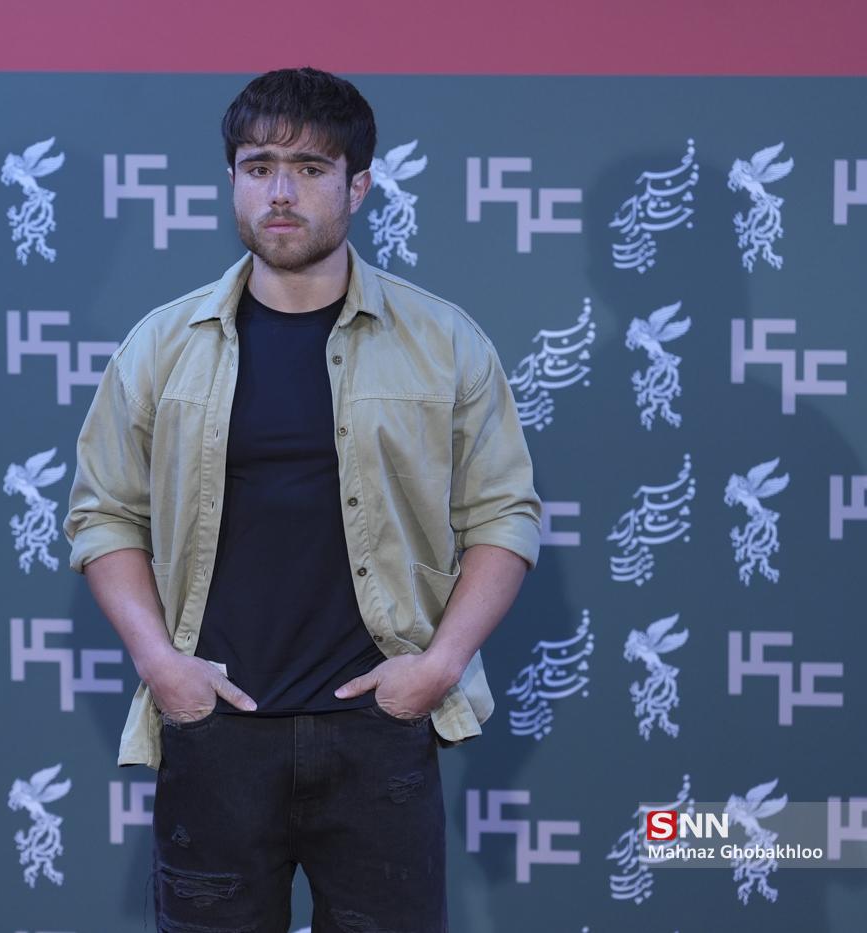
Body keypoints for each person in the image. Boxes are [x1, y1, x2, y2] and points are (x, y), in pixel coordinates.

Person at [64, 67, 541, 933]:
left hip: (379, 731)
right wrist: (161, 665)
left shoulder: (443, 341)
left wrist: (436, 668)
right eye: (259, 167)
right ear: (233, 180)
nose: (280, 193)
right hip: (214, 729)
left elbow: (504, 514)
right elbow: (104, 513)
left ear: (358, 186)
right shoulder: (161, 347)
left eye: (311, 168)